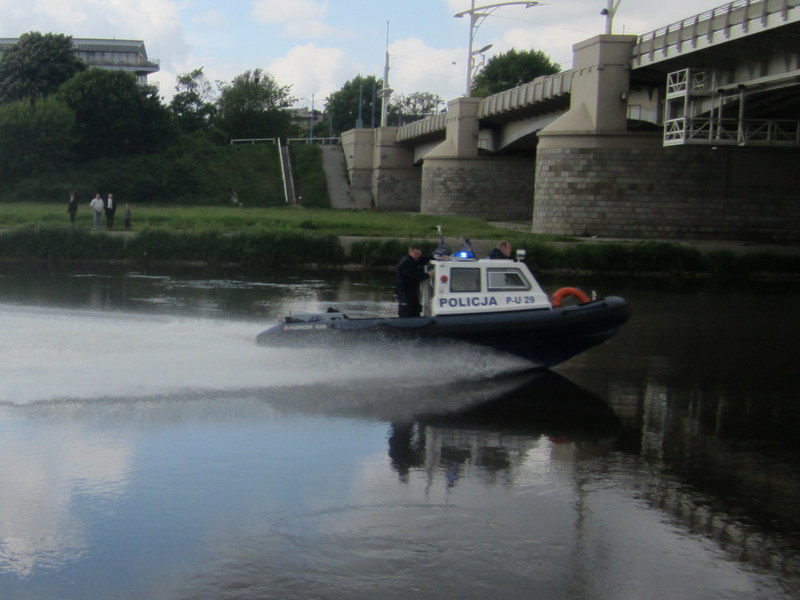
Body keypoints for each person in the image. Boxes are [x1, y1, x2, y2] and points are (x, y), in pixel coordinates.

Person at [395, 245, 436, 318]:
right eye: (415, 254)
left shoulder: (416, 260)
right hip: (404, 290)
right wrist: (427, 275)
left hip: (412, 290)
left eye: (419, 254)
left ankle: (416, 320)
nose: (417, 256)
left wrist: (437, 256)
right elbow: (414, 275)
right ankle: (405, 323)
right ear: (410, 252)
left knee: (415, 308)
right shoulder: (406, 263)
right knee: (407, 309)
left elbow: (425, 258)